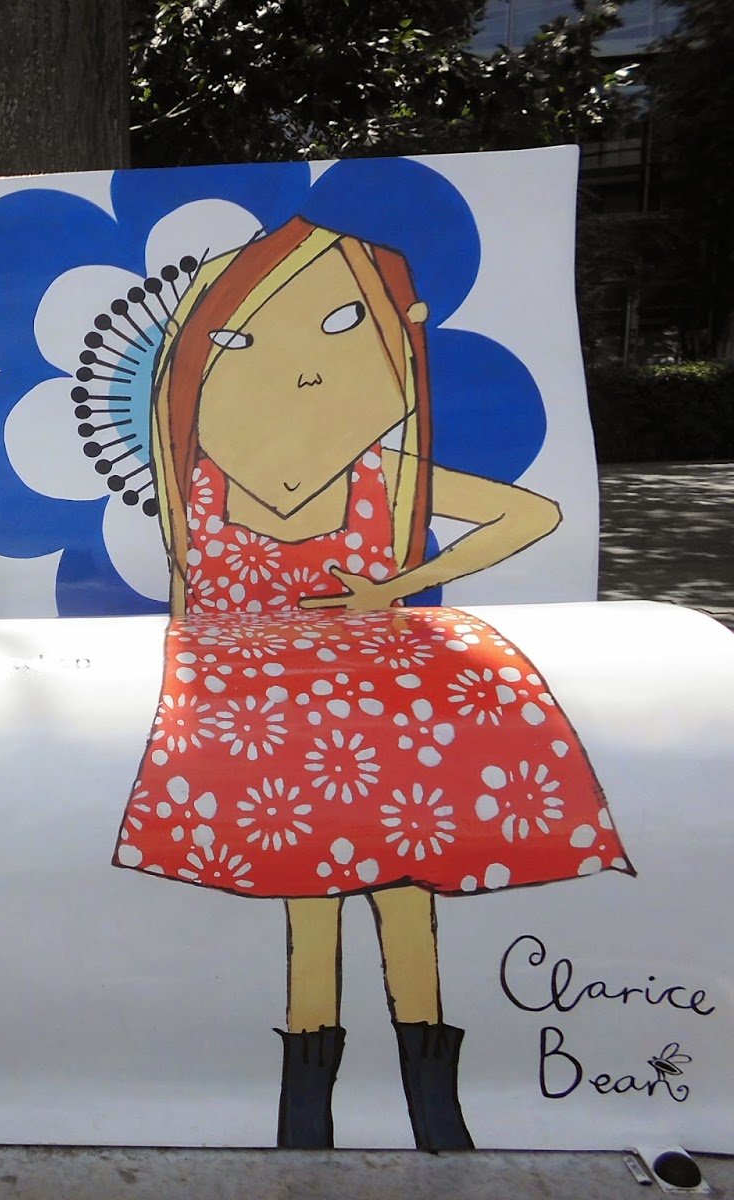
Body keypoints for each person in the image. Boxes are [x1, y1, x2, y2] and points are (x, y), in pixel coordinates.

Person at [111, 216, 633, 1150]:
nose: (301, 369)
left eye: (341, 326)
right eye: (241, 344)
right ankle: (311, 1121)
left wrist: (395, 588)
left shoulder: (380, 476)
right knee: (315, 916)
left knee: (403, 900)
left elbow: (529, 513)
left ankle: (431, 1115)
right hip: (276, 736)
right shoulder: (200, 489)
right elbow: (191, 603)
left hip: (380, 723)